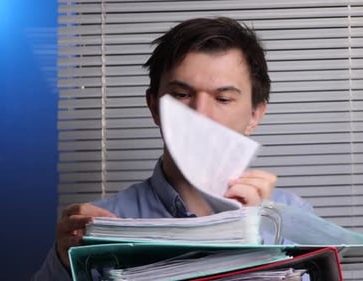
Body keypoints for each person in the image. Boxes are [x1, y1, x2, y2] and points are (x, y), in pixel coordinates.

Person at [31, 17, 314, 280]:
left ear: (254, 115)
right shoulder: (100, 225)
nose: (200, 115)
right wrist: (64, 261)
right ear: (154, 107)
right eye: (181, 95)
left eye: (224, 98)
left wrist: (257, 237)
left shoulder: (294, 219)